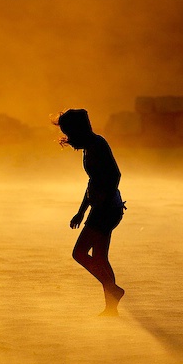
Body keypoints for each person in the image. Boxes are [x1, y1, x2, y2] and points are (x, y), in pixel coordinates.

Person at [53, 109, 126, 316]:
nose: (68, 139)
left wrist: (103, 200)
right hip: (104, 208)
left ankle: (114, 290)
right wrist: (81, 212)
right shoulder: (90, 148)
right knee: (100, 257)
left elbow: (115, 175)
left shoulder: (98, 145)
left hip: (107, 209)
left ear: (80, 130)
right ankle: (111, 308)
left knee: (79, 253)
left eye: (70, 134)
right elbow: (92, 182)